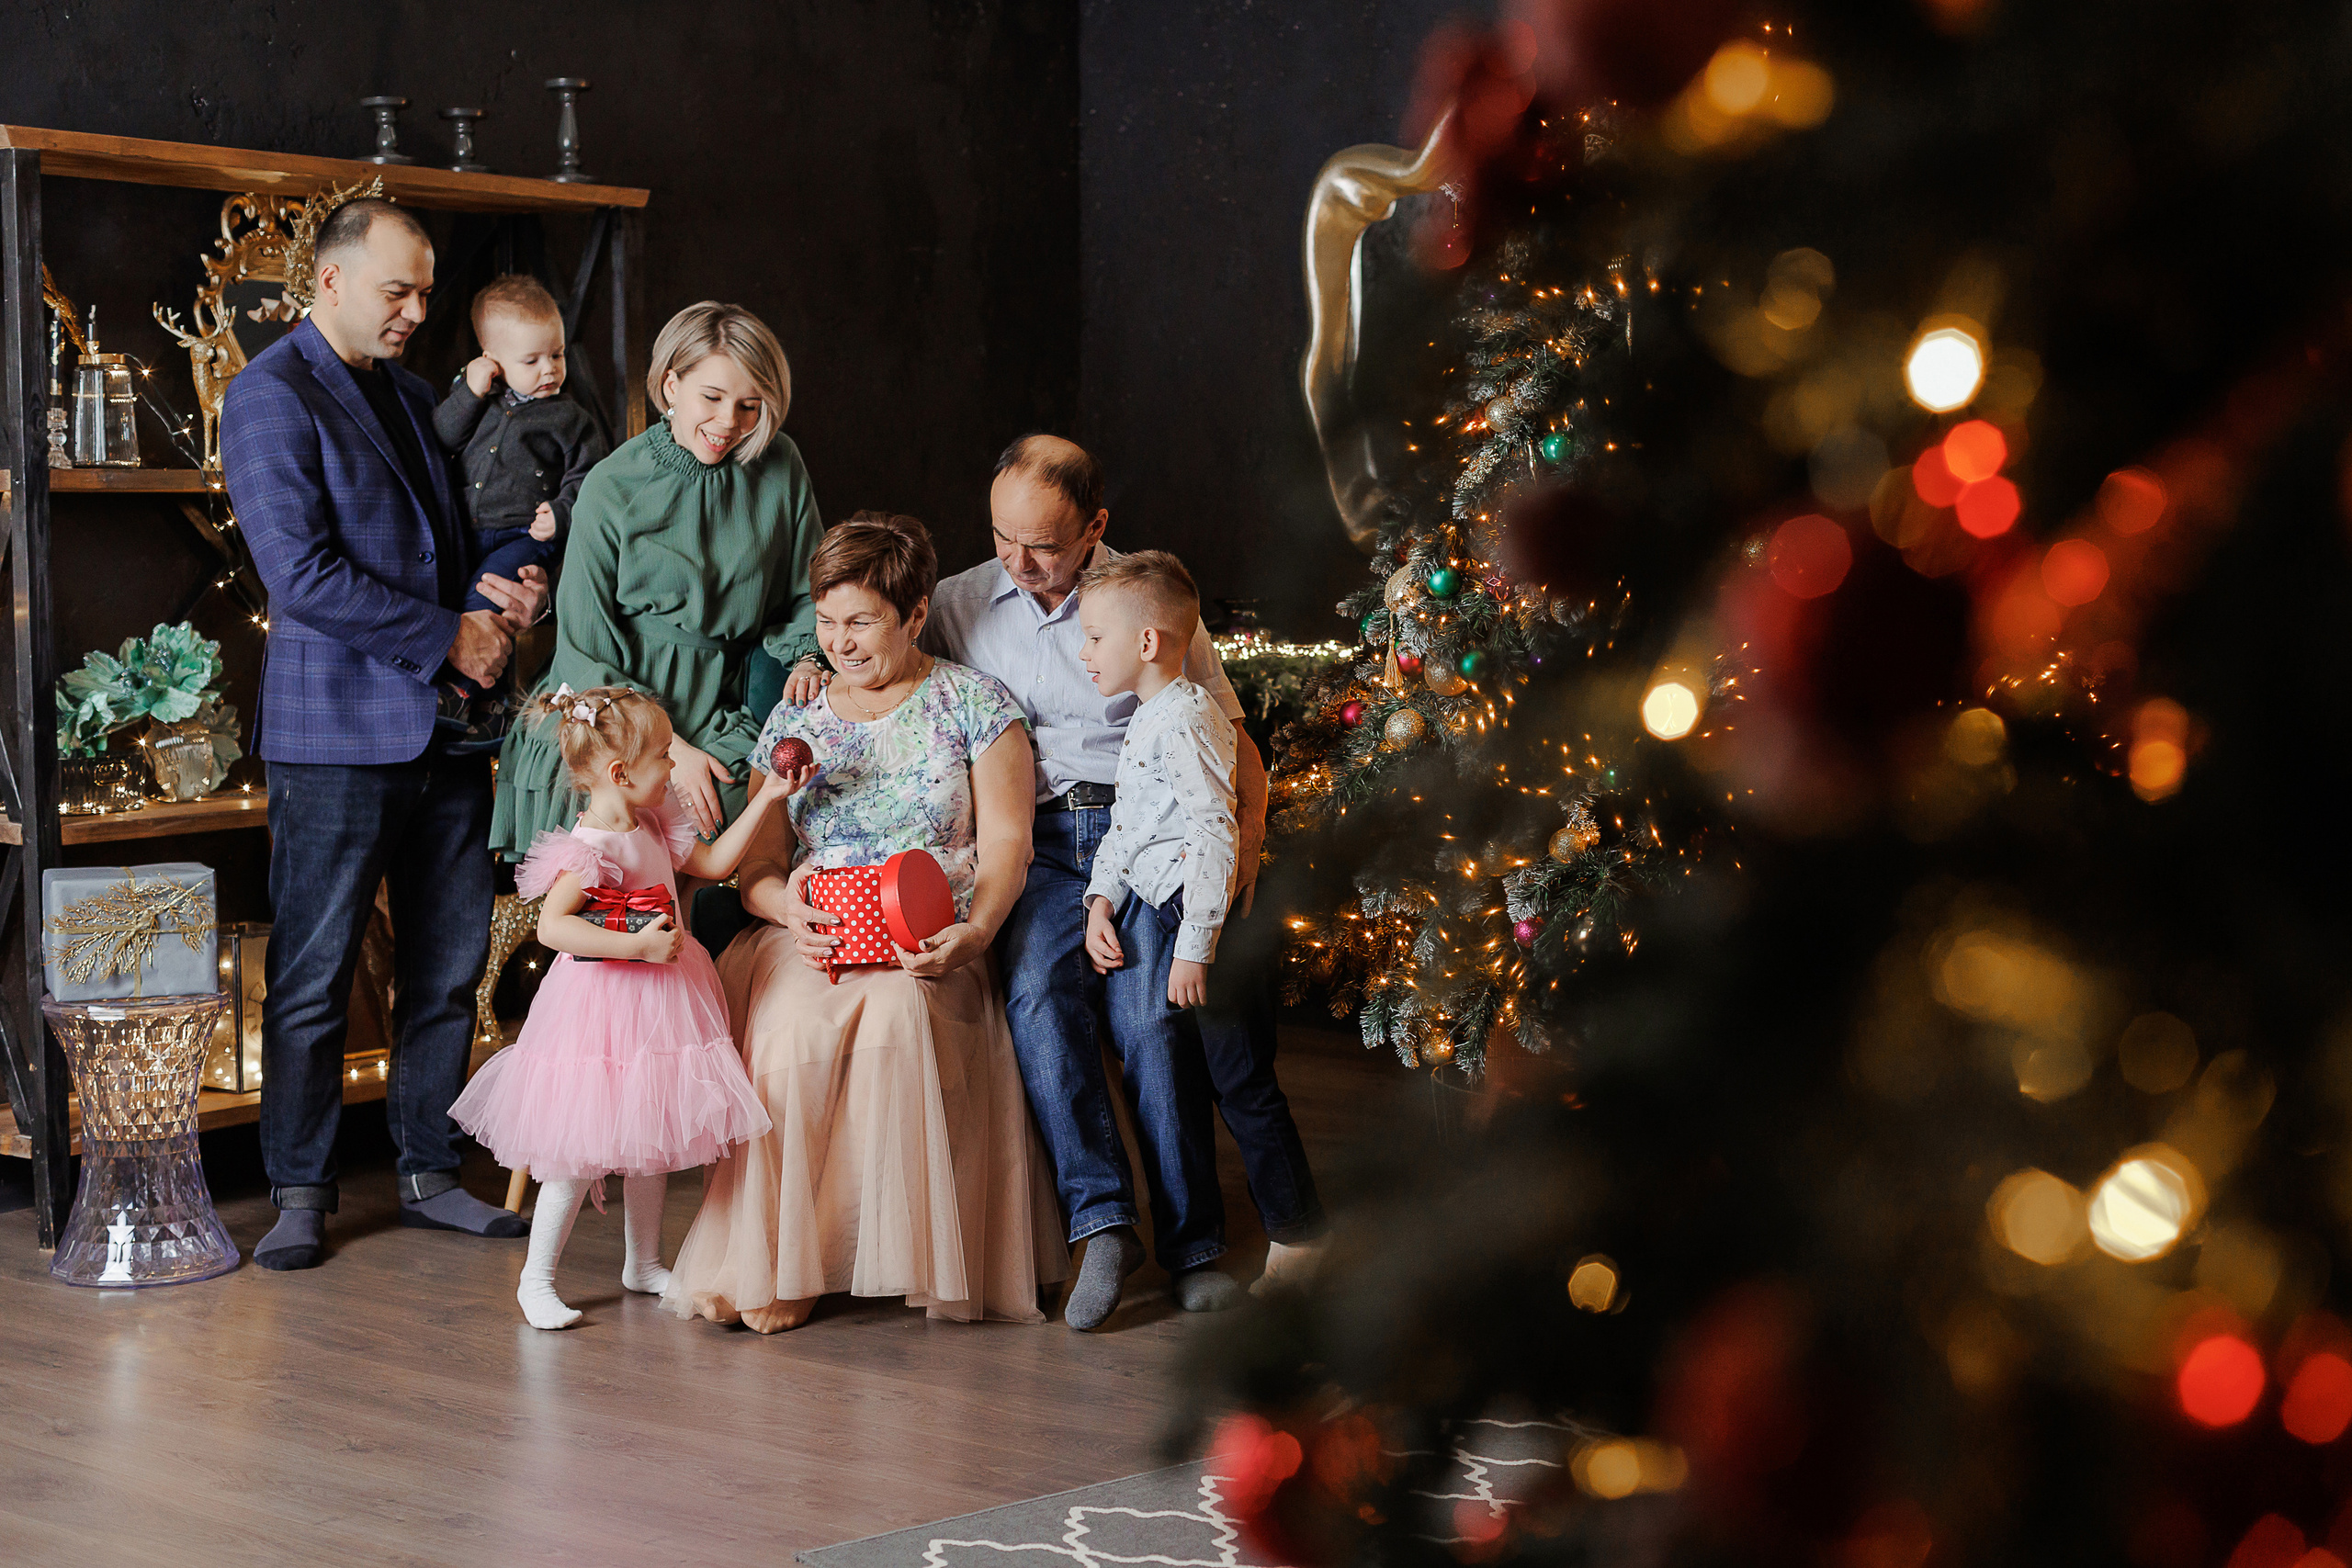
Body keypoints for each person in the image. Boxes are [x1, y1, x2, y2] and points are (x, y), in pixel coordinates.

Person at [902, 434, 1327, 1329]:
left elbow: (1229, 738)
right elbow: (897, 686)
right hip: (1036, 841)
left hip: (1147, 834)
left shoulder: (1141, 597)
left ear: (1095, 525)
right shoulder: (959, 604)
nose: (1019, 563)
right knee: (1036, 994)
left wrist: (1242, 850)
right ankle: (1100, 1225)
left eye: (1045, 544)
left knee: (1149, 1019)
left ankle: (1195, 1245)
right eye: (1001, 536)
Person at [219, 196, 548, 1270]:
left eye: (424, 290)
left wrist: (503, 596)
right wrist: (451, 638)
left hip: (445, 734)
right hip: (335, 736)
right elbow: (300, 576)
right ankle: (302, 1193)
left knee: (447, 967)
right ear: (329, 283)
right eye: (397, 290)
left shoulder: (412, 397)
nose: (418, 309)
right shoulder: (268, 397)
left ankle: (426, 1172)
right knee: (313, 977)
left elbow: (442, 550)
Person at [663, 513, 1068, 1331]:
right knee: (790, 1038)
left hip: (933, 938)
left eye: (862, 622)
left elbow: (1009, 847)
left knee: (895, 1016)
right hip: (811, 934)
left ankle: (881, 1250)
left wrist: (977, 932)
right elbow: (758, 870)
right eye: (827, 620)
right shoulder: (795, 719)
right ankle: (789, 1261)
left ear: (916, 614)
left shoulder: (975, 705)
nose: (840, 642)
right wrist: (790, 911)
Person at [450, 685, 803, 1329]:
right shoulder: (591, 846)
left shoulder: (651, 822)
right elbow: (555, 929)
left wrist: (768, 800)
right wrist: (636, 946)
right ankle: (536, 1279)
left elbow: (720, 861)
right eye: (666, 756)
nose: (674, 767)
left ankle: (643, 1262)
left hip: (662, 1000)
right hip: (602, 1007)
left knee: (654, 1136)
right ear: (621, 773)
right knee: (579, 1155)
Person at [488, 301, 829, 866]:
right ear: (671, 385)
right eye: (712, 398)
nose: (730, 423)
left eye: (750, 405)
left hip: (728, 705)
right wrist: (670, 748)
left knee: (756, 810)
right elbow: (583, 650)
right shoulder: (611, 485)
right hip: (613, 710)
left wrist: (807, 660)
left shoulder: (780, 465)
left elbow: (808, 590)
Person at [429, 274, 608, 738]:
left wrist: (563, 512)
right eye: (531, 360)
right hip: (466, 533)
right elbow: (442, 437)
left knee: (485, 600)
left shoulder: (570, 418)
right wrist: (468, 392)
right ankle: (491, 709)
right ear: (491, 361)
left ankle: (461, 693)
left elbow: (592, 478)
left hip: (523, 537)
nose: (549, 369)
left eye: (557, 354)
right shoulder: (476, 400)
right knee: (458, 601)